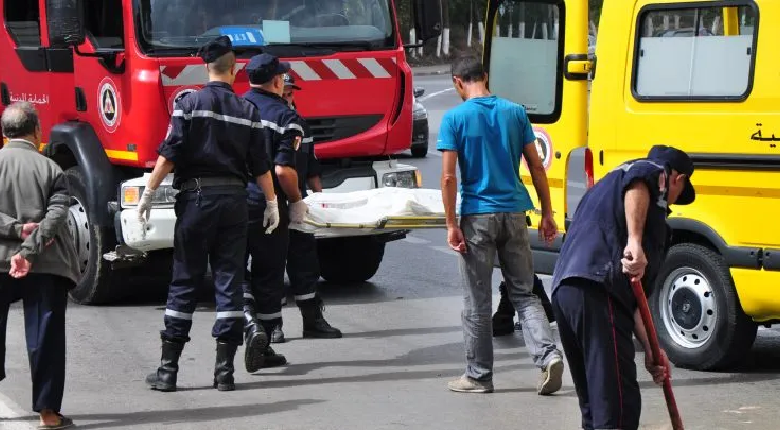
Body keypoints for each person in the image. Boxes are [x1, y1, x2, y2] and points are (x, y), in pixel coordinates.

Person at [141, 36, 280, 393]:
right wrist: (272, 203)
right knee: (229, 282)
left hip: (196, 200)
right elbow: (261, 165)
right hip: (235, 202)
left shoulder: (189, 103)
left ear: (206, 68)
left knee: (185, 280)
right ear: (235, 70)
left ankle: (168, 372)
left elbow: (170, 153)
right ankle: (224, 373)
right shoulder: (248, 111)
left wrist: (149, 193)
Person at [437, 55, 564, 395]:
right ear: (486, 76)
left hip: (478, 216)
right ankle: (548, 356)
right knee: (524, 293)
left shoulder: (455, 118)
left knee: (476, 302)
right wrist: (547, 213)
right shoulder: (515, 112)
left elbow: (448, 177)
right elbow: (536, 166)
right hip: (515, 213)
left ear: (458, 82)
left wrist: (451, 224)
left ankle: (479, 376)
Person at [550, 145, 694, 430]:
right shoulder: (652, 174)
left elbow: (638, 302)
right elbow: (641, 178)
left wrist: (652, 349)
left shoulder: (605, 189)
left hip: (567, 291)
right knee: (617, 409)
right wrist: (635, 242)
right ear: (677, 180)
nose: (672, 204)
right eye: (678, 195)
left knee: (597, 407)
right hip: (599, 290)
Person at [0, 102, 80, 429]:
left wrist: (15, 230)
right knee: (46, 335)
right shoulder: (51, 169)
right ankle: (48, 414)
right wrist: (29, 248)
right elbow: (58, 215)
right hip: (45, 264)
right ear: (36, 130)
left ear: (5, 132)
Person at [240, 53, 309, 371]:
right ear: (278, 81)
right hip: (268, 205)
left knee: (233, 269)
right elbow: (283, 170)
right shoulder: (285, 116)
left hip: (230, 202)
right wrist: (296, 200)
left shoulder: (236, 108)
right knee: (268, 272)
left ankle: (247, 320)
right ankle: (264, 342)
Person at [268, 73, 342, 344]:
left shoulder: (300, 124)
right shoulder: (267, 121)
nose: (289, 97)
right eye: (285, 92)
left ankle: (312, 321)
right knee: (271, 265)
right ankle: (272, 325)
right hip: (272, 203)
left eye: (292, 93)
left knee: (305, 263)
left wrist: (321, 203)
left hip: (299, 201)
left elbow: (311, 168)